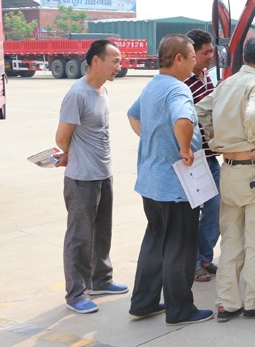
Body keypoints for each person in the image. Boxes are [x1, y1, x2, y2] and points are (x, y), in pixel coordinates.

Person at [195, 36, 255, 323]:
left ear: (244, 56)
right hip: (253, 169)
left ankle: (227, 303)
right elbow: (254, 112)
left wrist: (212, 137)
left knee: (232, 239)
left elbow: (199, 110)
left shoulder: (226, 84)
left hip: (229, 168)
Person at [127, 34, 213, 325]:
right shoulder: (179, 89)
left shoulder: (152, 86)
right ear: (178, 58)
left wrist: (154, 140)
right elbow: (184, 120)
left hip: (151, 182)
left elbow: (133, 115)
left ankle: (143, 302)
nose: (194, 63)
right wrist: (184, 148)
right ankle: (180, 309)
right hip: (175, 185)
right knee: (180, 246)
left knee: (155, 242)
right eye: (191, 57)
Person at [56, 39, 127, 314]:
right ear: (96, 61)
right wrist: (69, 154)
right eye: (115, 61)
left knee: (102, 232)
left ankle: (101, 279)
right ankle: (76, 293)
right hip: (81, 177)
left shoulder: (102, 91)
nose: (119, 67)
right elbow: (62, 137)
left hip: (103, 173)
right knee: (80, 236)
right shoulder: (77, 94)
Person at [184, 29, 220, 283]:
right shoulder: (182, 83)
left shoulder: (206, 76)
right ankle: (195, 263)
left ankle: (205, 257)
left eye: (211, 51)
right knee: (194, 211)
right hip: (194, 159)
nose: (210, 56)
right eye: (205, 52)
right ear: (190, 54)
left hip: (211, 156)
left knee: (215, 208)